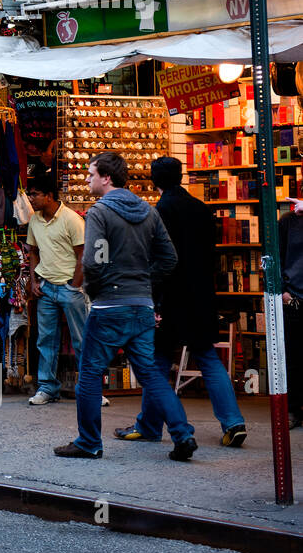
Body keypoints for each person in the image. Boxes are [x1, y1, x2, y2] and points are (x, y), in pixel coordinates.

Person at [54, 151, 197, 461]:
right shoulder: (148, 211)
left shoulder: (99, 213)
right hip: (142, 304)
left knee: (90, 374)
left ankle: (89, 442)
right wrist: (144, 280)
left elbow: (93, 260)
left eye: (91, 174)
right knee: (151, 374)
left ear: (106, 178)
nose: (87, 179)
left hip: (109, 307)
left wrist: (96, 287)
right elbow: (168, 258)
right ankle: (182, 433)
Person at [112, 158, 247, 446]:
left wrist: (154, 300)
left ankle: (148, 425)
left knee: (157, 363)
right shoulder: (201, 209)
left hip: (172, 298)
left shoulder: (160, 211)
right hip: (201, 296)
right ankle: (233, 423)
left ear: (153, 181)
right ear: (182, 176)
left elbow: (160, 260)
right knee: (209, 358)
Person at [25, 172, 104, 407]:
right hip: (47, 288)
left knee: (82, 340)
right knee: (46, 340)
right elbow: (33, 251)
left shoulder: (71, 219)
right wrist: (33, 280)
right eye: (30, 193)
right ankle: (47, 388)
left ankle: (91, 390)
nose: (31, 198)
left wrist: (74, 285)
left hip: (70, 288)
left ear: (49, 196)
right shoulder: (34, 220)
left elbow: (84, 255)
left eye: (35, 194)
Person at [273, 198, 303, 430]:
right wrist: (283, 291)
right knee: (293, 358)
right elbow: (277, 257)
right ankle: (293, 409)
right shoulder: (287, 222)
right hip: (294, 298)